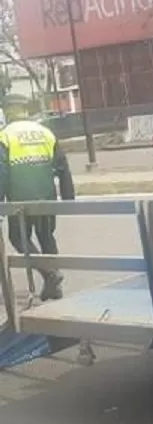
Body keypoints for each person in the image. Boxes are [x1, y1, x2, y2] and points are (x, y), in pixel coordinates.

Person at [0, 93, 75, 300]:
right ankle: (55, 284)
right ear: (26, 110)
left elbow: (2, 171)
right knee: (46, 237)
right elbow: (62, 165)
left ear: (7, 111)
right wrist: (69, 198)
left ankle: (50, 275)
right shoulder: (45, 132)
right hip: (47, 196)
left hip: (19, 199)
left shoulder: (4, 135)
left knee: (18, 238)